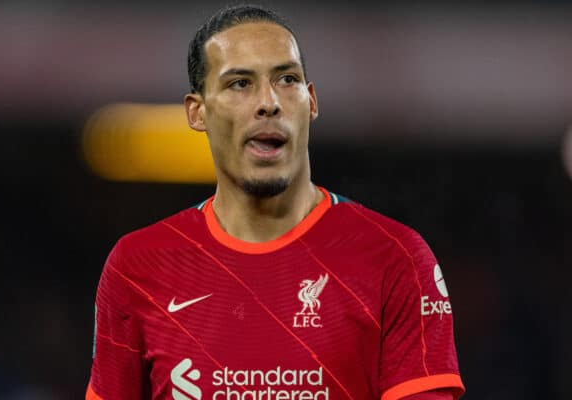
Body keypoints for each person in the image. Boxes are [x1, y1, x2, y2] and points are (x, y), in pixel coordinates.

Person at [86, 5, 465, 400]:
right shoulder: (137, 267)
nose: (269, 102)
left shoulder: (397, 259)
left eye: (287, 79)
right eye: (240, 84)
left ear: (312, 101)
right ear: (197, 112)